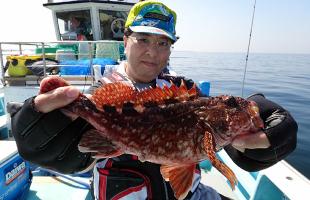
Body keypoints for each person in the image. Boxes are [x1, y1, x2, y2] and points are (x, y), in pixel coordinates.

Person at [11, 1, 297, 199]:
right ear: (126, 40)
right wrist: (42, 137)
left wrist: (259, 138)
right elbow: (81, 150)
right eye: (143, 40)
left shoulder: (186, 89)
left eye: (162, 43)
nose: (153, 52)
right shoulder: (103, 93)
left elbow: (222, 137)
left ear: (171, 49)